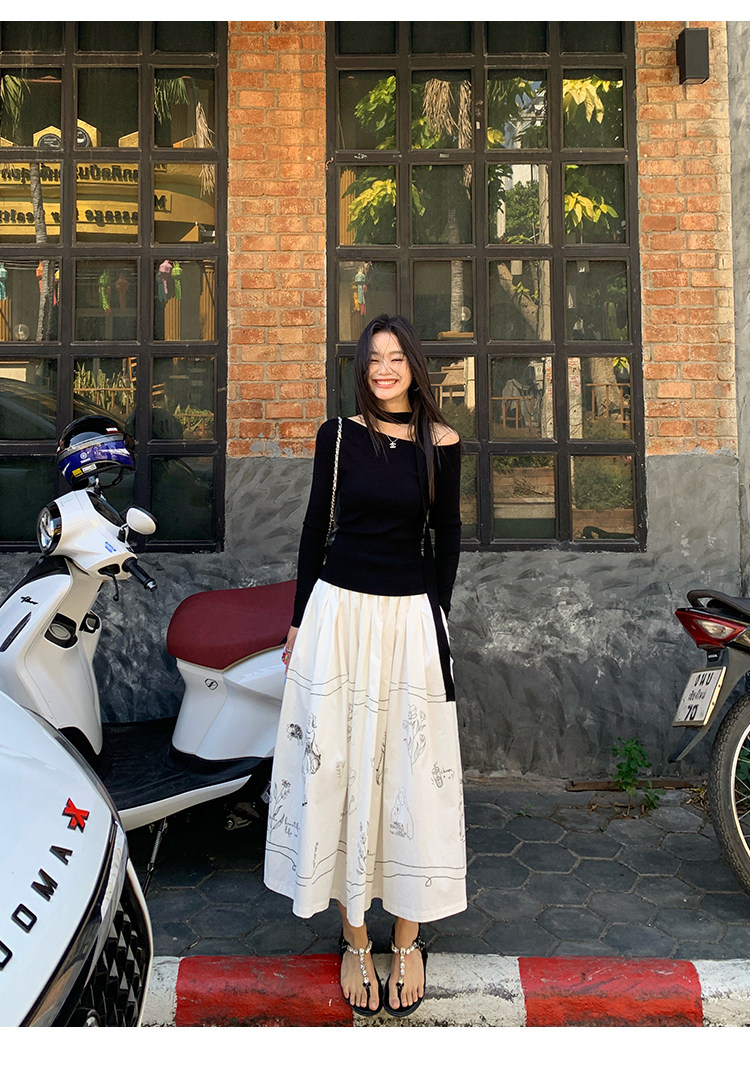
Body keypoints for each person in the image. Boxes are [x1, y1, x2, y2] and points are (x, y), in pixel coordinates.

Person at [263, 314, 466, 1018]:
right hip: (340, 616)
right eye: (374, 358)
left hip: (409, 620)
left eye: (396, 357)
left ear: (415, 366)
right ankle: (354, 939)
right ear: (361, 368)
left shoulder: (443, 443)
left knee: (410, 772)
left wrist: (436, 619)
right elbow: (313, 527)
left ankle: (407, 940)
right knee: (342, 766)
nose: (384, 369)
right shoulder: (339, 436)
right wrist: (298, 618)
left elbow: (446, 537)